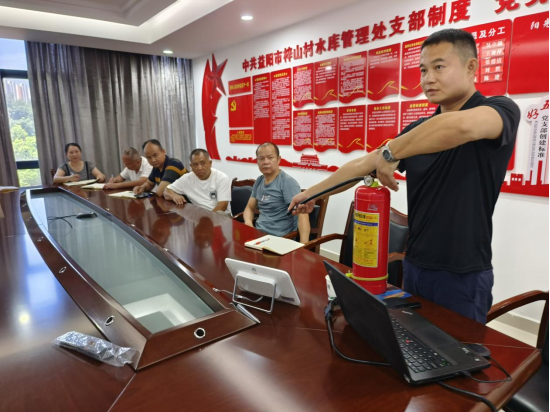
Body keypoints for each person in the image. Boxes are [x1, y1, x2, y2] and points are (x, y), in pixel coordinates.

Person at [290, 29, 520, 324]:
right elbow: (362, 164)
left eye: (439, 67)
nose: (428, 78)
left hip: (462, 272)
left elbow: (460, 127)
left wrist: (391, 152)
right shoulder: (417, 131)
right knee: (411, 342)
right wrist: (312, 193)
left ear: (471, 67)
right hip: (414, 263)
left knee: (457, 350)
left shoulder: (500, 109)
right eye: (423, 70)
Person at [245, 142, 310, 244]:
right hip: (258, 235)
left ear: (278, 159)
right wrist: (249, 224)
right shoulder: (259, 181)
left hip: (280, 239)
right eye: (261, 158)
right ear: (257, 161)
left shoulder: (287, 182)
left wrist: (303, 246)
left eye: (270, 157)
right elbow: (249, 207)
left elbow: (302, 214)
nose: (265, 162)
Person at [164, 149, 232, 214]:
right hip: (199, 215)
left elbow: (222, 206)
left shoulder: (221, 178)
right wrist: (173, 196)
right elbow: (166, 191)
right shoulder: (187, 179)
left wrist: (209, 219)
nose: (199, 168)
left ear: (210, 163)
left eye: (203, 163)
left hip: (220, 216)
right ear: (191, 166)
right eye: (195, 164)